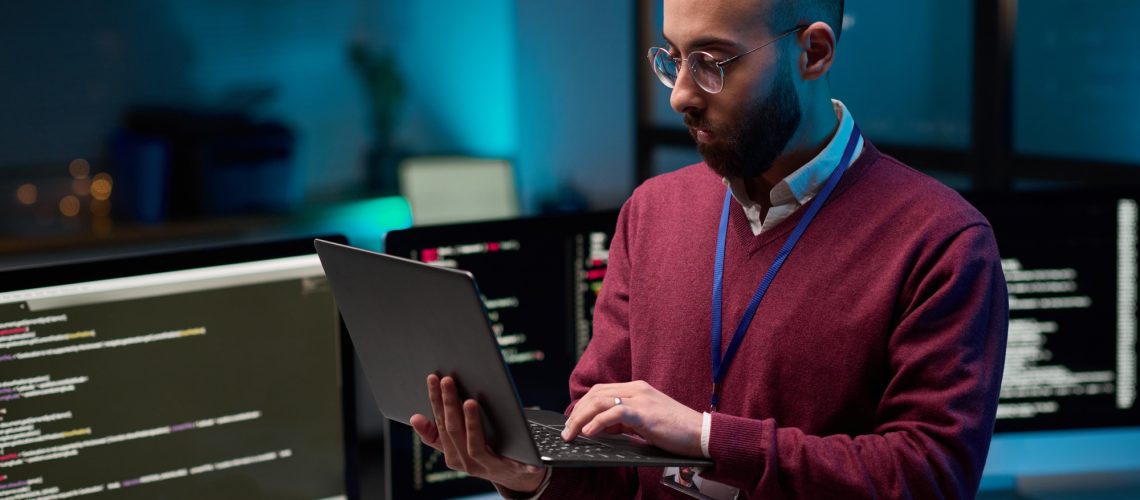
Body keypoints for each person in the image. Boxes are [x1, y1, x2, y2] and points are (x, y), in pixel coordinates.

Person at [410, 0, 1009, 497]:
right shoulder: (652, 212)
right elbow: (606, 459)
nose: (680, 97)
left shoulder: (941, 241)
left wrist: (704, 438)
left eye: (713, 62)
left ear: (815, 52)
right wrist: (527, 473)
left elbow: (929, 477)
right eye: (673, 59)